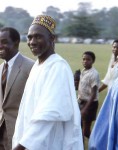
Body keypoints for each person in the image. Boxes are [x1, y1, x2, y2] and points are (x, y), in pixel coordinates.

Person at [12, 15, 83, 150]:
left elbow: (50, 113)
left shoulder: (57, 67)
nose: (32, 41)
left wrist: (21, 146)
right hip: (32, 142)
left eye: (38, 36)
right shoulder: (37, 66)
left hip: (50, 142)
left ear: (52, 39)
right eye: (29, 37)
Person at [0, 27, 34, 150]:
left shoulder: (31, 67)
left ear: (16, 42)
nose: (0, 46)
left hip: (19, 134)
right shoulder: (0, 68)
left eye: (4, 42)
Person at [78, 51, 100, 141]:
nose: (85, 61)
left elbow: (93, 93)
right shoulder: (83, 71)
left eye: (88, 60)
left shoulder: (94, 74)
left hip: (90, 104)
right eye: (83, 59)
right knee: (80, 128)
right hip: (81, 101)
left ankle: (97, 145)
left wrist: (85, 108)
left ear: (93, 61)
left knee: (85, 131)